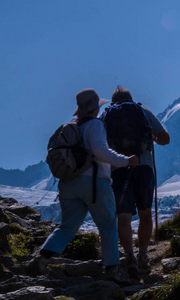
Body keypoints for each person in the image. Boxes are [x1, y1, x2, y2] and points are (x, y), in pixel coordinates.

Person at [26, 88, 139, 285]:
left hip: (68, 184)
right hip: (95, 183)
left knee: (68, 226)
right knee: (107, 225)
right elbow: (100, 152)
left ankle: (41, 259)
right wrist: (126, 161)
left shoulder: (69, 126)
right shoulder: (94, 125)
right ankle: (112, 270)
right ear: (95, 108)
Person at [101, 86, 169, 277]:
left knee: (123, 215)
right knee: (145, 213)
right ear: (131, 98)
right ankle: (144, 255)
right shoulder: (143, 110)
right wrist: (151, 138)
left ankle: (129, 256)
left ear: (113, 101)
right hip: (143, 167)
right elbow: (165, 139)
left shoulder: (106, 115)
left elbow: (99, 143)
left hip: (119, 169)